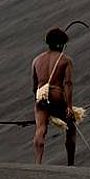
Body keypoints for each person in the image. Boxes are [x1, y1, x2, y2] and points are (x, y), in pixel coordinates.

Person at [31, 25, 77, 166]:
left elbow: (34, 87)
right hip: (57, 95)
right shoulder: (65, 60)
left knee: (41, 128)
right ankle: (70, 164)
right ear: (62, 44)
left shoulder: (36, 60)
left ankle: (38, 162)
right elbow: (68, 83)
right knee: (71, 127)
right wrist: (69, 107)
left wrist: (40, 104)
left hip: (41, 97)